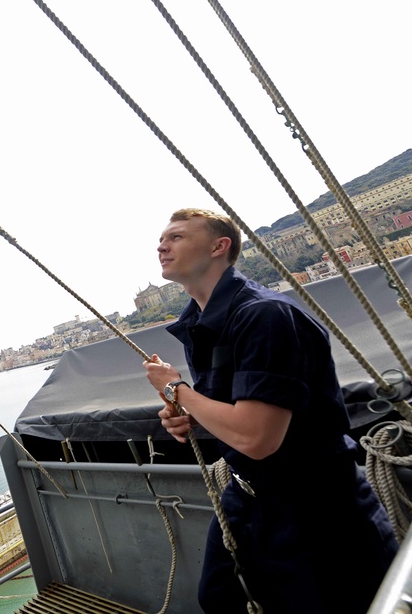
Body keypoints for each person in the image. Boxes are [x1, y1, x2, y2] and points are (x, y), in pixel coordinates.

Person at [143, 207, 398, 613]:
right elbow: (239, 413)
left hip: (315, 510)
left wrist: (176, 389)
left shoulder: (264, 316)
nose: (162, 244)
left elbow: (257, 437)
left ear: (218, 246)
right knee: (219, 598)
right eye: (162, 237)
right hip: (248, 498)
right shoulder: (205, 322)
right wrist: (189, 412)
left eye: (176, 236)